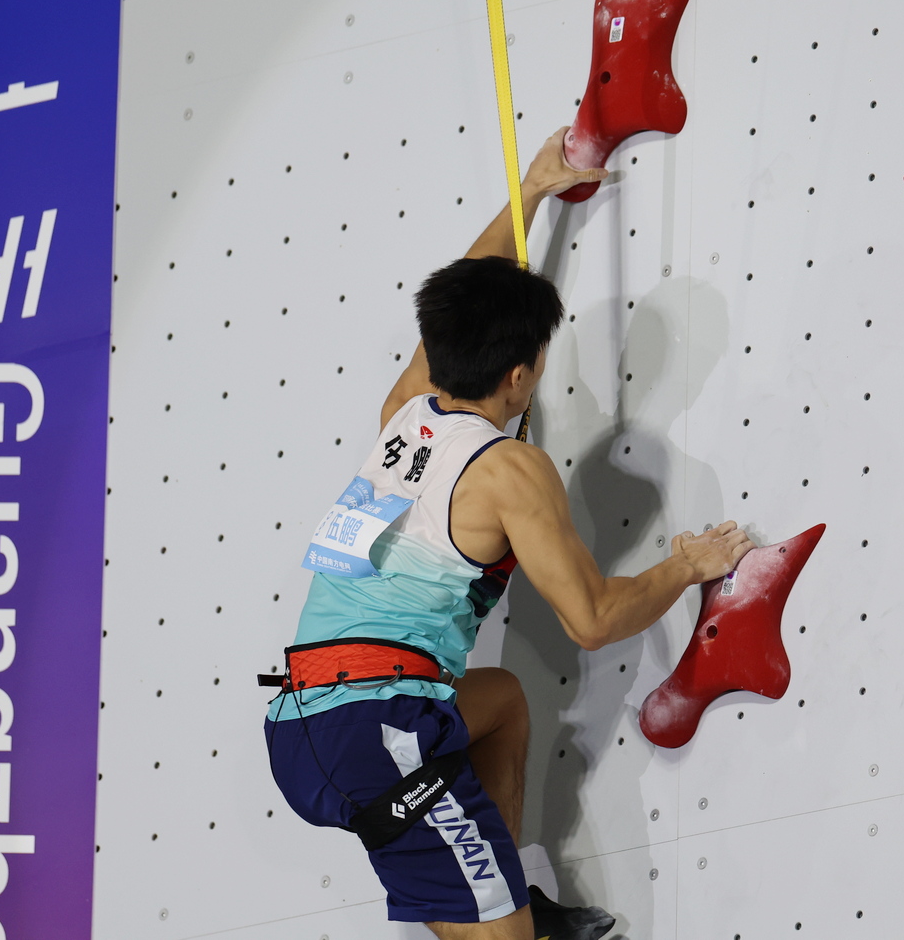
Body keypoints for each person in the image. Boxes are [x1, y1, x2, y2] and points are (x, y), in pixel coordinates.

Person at [263, 129, 755, 940]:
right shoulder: (510, 471)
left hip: (305, 721)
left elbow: (464, 294)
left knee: (501, 704)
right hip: (378, 730)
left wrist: (530, 194)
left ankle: (509, 888)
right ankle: (507, 919)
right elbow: (592, 619)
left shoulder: (406, 411)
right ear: (520, 376)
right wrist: (686, 567)